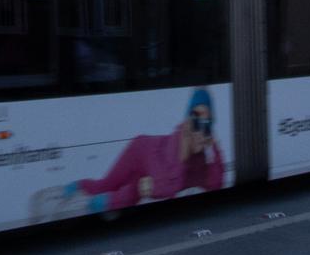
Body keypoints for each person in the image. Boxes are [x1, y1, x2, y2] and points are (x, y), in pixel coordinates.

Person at [66, 90, 228, 212]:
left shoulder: (199, 161)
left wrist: (214, 145)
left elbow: (216, 184)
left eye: (207, 124)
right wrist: (184, 149)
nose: (201, 130)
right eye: (196, 122)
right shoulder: (173, 145)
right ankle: (77, 186)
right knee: (106, 185)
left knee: (136, 190)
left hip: (150, 170)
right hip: (140, 151)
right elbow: (167, 187)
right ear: (187, 123)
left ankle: (104, 202)